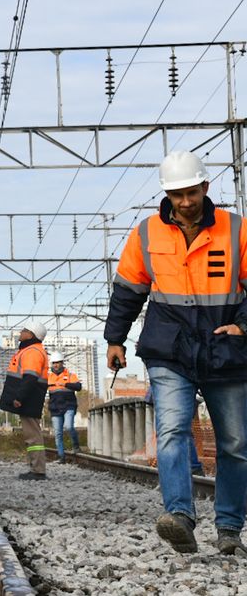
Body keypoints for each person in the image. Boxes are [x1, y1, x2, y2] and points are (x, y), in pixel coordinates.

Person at [104, 150, 247, 555]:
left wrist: (244, 326)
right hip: (169, 349)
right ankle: (180, 516)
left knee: (235, 443)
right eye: (176, 194)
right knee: (171, 432)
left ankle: (230, 530)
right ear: (166, 193)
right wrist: (115, 340)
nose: (185, 201)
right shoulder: (146, 233)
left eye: (191, 192)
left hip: (226, 349)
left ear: (205, 187)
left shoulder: (236, 230)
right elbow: (128, 290)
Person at [0, 322, 50, 480]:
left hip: (29, 397)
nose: (21, 332)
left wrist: (20, 397)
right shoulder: (29, 350)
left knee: (32, 435)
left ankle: (38, 470)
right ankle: (36, 468)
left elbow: (30, 377)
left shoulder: (32, 352)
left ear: (32, 334)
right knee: (31, 434)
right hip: (30, 397)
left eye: (24, 330)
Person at [46, 352, 82, 463]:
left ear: (62, 363)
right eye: (54, 363)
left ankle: (76, 446)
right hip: (55, 408)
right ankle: (61, 457)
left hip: (68, 406)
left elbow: (78, 387)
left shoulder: (71, 376)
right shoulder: (48, 377)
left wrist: (65, 384)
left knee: (69, 427)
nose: (56, 365)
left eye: (58, 362)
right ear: (52, 364)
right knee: (58, 433)